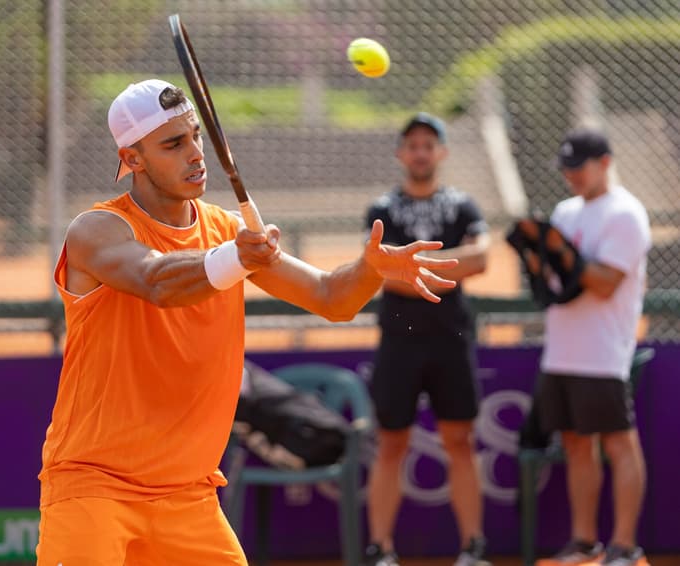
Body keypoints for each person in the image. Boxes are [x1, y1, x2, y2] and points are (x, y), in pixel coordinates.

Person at [34, 79, 459, 566]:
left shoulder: (225, 231)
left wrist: (370, 271)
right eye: (174, 144)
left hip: (189, 497)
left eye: (196, 136)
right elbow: (156, 281)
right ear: (132, 159)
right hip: (95, 489)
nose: (196, 153)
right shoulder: (97, 230)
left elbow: (330, 298)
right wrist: (235, 258)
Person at [363, 113, 492, 566]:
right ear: (401, 154)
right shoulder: (382, 209)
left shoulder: (463, 206)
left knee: (460, 441)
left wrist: (410, 270)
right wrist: (444, 272)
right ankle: (381, 550)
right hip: (400, 342)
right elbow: (380, 271)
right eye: (412, 144)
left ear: (442, 153)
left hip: (450, 340)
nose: (420, 151)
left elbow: (481, 258)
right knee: (391, 443)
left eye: (428, 144)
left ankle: (472, 548)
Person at [533, 128, 651, 566]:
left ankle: (624, 546)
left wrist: (560, 259)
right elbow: (551, 280)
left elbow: (604, 284)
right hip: (560, 350)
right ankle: (585, 543)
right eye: (566, 170)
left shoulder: (626, 214)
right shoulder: (565, 212)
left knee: (618, 444)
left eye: (578, 167)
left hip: (604, 354)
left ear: (604, 162)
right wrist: (535, 256)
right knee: (576, 445)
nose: (571, 177)